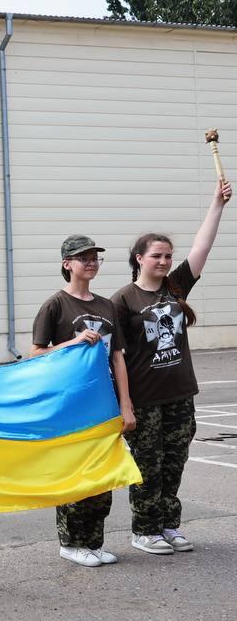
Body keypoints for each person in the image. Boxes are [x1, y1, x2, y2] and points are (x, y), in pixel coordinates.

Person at [113, 180, 231, 555]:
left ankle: (169, 525)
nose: (163, 262)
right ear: (139, 259)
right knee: (147, 466)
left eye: (167, 256)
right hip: (145, 399)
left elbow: (202, 247)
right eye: (156, 256)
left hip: (180, 394)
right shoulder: (123, 300)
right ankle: (145, 530)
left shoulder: (176, 287)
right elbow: (115, 356)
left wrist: (217, 204)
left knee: (174, 463)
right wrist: (125, 405)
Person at [30, 234, 137, 567]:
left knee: (101, 472)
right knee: (75, 473)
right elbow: (35, 354)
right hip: (70, 404)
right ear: (67, 264)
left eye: (95, 258)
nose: (91, 263)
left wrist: (125, 404)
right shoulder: (55, 305)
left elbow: (117, 357)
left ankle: (93, 541)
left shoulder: (107, 306)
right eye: (83, 258)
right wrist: (72, 343)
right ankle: (71, 542)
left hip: (103, 403)